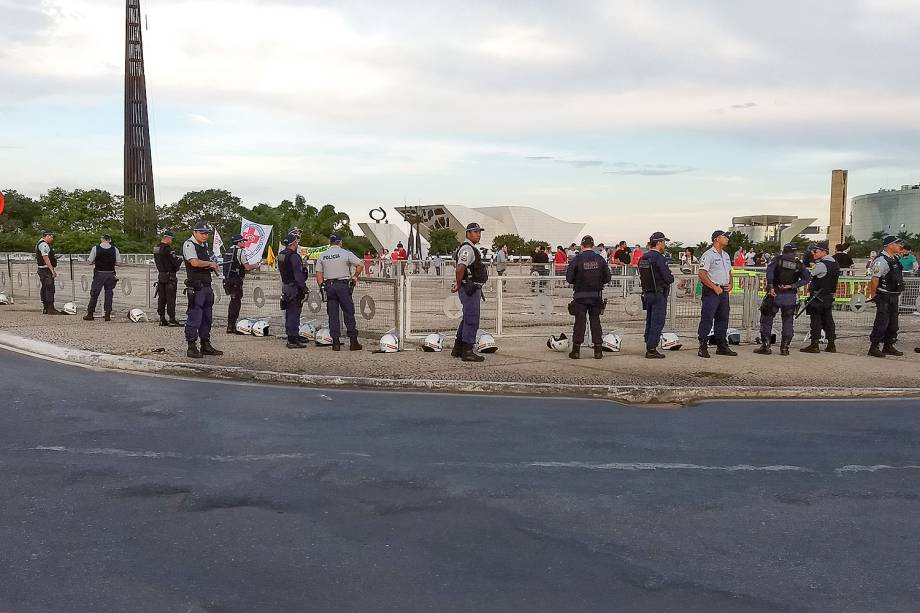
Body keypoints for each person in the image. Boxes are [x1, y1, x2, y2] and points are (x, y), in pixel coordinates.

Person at [754, 244, 810, 356]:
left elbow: (769, 273)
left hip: (775, 293)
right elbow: (807, 278)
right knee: (788, 322)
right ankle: (785, 348)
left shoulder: (777, 260)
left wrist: (770, 287)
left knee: (766, 319)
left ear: (783, 251)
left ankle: (766, 346)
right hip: (790, 296)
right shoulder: (798, 264)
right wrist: (793, 285)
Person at [565, 235, 612, 359]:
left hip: (580, 295)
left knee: (579, 322)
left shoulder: (577, 259)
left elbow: (569, 278)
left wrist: (578, 280)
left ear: (582, 246)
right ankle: (598, 350)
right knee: (595, 321)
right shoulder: (600, 259)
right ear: (593, 246)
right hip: (596, 295)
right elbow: (608, 277)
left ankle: (576, 350)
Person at [316, 233, 364, 351]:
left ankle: (335, 343)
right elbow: (360, 264)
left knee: (333, 314)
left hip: (329, 286)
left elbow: (319, 275)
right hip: (343, 285)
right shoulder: (346, 253)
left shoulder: (323, 256)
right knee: (348, 312)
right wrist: (355, 277)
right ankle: (353, 342)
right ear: (340, 242)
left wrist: (322, 288)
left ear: (330, 242)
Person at [182, 222, 223, 358]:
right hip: (196, 286)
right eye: (202, 233)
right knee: (195, 316)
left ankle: (205, 344)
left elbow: (207, 260)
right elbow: (194, 262)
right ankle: (191, 346)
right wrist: (210, 264)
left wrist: (213, 265)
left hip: (206, 285)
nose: (205, 236)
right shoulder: (189, 244)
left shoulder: (204, 246)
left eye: (206, 233)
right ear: (195, 232)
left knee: (207, 317)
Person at [451, 222, 488, 362]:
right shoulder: (468, 249)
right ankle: (467, 351)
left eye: (479, 232)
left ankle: (458, 348)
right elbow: (460, 268)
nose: (478, 234)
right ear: (468, 234)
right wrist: (459, 284)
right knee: (472, 320)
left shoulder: (470, 248)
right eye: (475, 232)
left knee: (467, 318)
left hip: (470, 287)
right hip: (469, 289)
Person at [697, 230, 736, 358]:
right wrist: (714, 287)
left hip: (723, 291)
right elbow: (702, 274)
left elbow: (729, 272)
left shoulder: (725, 255)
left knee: (723, 318)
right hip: (712, 291)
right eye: (725, 237)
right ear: (717, 238)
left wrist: (731, 283)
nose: (728, 239)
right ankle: (703, 345)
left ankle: (721, 345)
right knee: (707, 318)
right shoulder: (708, 255)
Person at [867, 236, 905, 358]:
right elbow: (874, 280)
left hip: (893, 296)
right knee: (882, 322)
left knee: (893, 323)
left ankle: (888, 346)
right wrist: (874, 295)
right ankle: (874, 347)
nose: (900, 246)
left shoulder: (894, 258)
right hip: (884, 296)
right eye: (898, 243)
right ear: (889, 245)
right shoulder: (881, 260)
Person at [638, 232, 674, 359]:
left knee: (650, 320)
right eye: (663, 242)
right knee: (658, 321)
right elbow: (668, 277)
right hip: (659, 293)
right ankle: (651, 348)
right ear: (658, 243)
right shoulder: (659, 258)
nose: (664, 245)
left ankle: (648, 341)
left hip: (647, 293)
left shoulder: (643, 258)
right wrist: (670, 278)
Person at [800, 241, 839, 354]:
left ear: (824, 251)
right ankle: (831, 344)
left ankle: (814, 344)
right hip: (828, 296)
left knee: (816, 321)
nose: (813, 253)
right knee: (828, 321)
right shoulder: (835, 263)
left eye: (816, 251)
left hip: (818, 297)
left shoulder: (822, 265)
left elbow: (808, 275)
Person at [223, 234, 261, 334]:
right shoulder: (240, 251)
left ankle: (230, 325)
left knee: (233, 302)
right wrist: (257, 265)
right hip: (236, 280)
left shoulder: (228, 250)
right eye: (243, 241)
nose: (245, 243)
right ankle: (231, 326)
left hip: (227, 280)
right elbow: (247, 267)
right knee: (236, 303)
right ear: (239, 242)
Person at [277, 233, 308, 349]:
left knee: (289, 311)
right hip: (294, 287)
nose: (297, 244)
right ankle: (292, 339)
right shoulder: (294, 256)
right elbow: (297, 274)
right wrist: (304, 288)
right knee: (294, 312)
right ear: (293, 243)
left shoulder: (281, 254)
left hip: (285, 286)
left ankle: (292, 335)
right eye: (296, 242)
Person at [83, 234, 121, 321]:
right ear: (110, 240)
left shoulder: (95, 248)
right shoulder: (115, 249)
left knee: (94, 294)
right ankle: (107, 314)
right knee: (109, 294)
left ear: (101, 239)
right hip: (111, 273)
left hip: (99, 274)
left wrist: (95, 262)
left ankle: (90, 314)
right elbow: (118, 262)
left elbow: (90, 261)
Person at [153, 230, 182, 326]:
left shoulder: (156, 248)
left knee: (162, 298)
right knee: (171, 298)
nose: (172, 241)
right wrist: (180, 260)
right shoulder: (168, 249)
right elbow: (175, 262)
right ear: (168, 238)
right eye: (171, 239)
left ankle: (162, 318)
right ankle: (172, 319)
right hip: (170, 277)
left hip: (161, 276)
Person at [35, 230, 62, 315]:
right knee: (50, 288)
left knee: (45, 288)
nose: (52, 239)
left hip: (42, 269)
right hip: (45, 270)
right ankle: (51, 308)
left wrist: (53, 257)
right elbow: (45, 258)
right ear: (47, 236)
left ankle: (46, 308)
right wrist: (52, 270)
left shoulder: (39, 243)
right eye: (51, 237)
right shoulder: (44, 245)